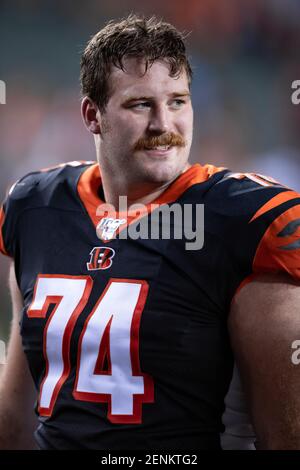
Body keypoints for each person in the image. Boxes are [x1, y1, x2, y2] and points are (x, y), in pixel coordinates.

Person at [1, 14, 300, 450]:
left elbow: (287, 436)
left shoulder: (247, 220)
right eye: (141, 104)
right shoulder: (36, 205)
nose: (164, 125)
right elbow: (15, 414)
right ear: (92, 115)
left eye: (178, 101)